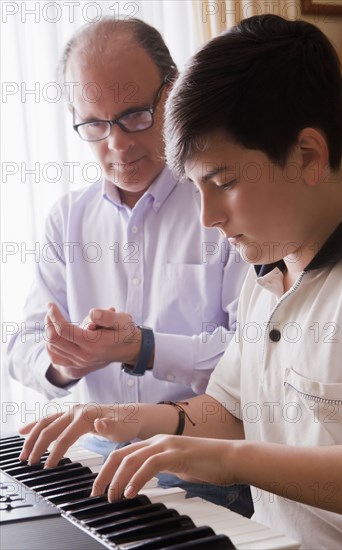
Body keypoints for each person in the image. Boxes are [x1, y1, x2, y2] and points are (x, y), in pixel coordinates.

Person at [18, 14, 342, 549]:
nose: (206, 219)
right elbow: (228, 410)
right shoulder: (267, 269)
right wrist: (118, 416)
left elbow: (232, 444)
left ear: (308, 157)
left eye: (223, 183)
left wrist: (227, 462)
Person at [7, 17, 253, 516]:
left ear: (174, 92)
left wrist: (143, 347)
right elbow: (20, 347)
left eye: (135, 115)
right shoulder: (67, 219)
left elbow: (252, 361)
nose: (117, 145)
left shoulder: (225, 200)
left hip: (201, 467)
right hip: (98, 457)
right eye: (94, 125)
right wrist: (65, 362)